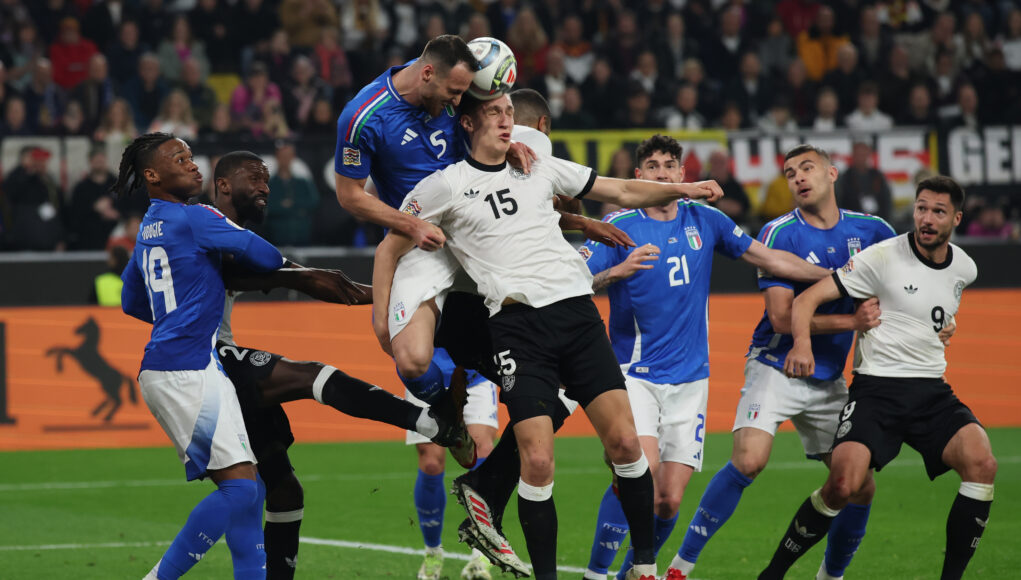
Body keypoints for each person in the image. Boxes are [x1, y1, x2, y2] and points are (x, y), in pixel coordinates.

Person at [373, 92, 726, 580]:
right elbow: (392, 241)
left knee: (625, 444)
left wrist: (682, 191)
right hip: (517, 329)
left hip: (579, 319)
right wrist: (380, 319)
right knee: (538, 460)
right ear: (469, 122)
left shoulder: (539, 164)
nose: (506, 121)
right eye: (495, 114)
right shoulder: (443, 186)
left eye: (509, 114)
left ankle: (645, 566)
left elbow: (621, 190)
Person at [580, 136, 833, 580]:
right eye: (653, 167)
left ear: (681, 174)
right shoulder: (620, 224)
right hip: (633, 373)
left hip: (690, 379)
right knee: (641, 470)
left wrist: (839, 278)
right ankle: (596, 575)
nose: (662, 173)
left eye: (669, 166)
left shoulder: (706, 219)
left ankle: (627, 576)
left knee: (668, 500)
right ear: (638, 177)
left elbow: (770, 258)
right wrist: (615, 272)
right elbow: (573, 279)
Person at [208, 150, 468, 580]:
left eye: (267, 179)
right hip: (205, 359)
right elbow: (259, 274)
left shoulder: (234, 236)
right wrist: (295, 276)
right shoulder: (204, 221)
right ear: (222, 184)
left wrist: (400, 296)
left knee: (285, 490)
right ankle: (437, 426)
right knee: (312, 377)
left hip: (221, 361)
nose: (265, 186)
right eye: (254, 176)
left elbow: (325, 283)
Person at [663, 145, 901, 580]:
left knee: (859, 485)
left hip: (829, 378)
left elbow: (911, 281)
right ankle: (681, 566)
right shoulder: (779, 233)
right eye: (790, 173)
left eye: (807, 168)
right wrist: (853, 319)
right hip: (777, 363)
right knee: (749, 460)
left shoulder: (874, 230)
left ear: (831, 173)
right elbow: (778, 317)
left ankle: (831, 575)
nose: (798, 178)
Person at [757, 176, 995, 580]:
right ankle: (773, 574)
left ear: (956, 218)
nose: (927, 218)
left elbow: (934, 306)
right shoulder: (881, 257)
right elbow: (807, 299)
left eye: (938, 211)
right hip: (877, 389)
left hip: (931, 391)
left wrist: (945, 324)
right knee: (843, 485)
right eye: (921, 208)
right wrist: (801, 344)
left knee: (982, 463)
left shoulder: (964, 268)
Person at [116, 132, 283, 580]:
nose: (193, 165)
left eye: (191, 156)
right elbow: (266, 257)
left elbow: (132, 300)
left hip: (177, 363)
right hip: (187, 367)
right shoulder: (194, 218)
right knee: (240, 493)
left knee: (250, 489)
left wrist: (177, 313)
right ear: (152, 175)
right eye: (180, 158)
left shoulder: (149, 228)